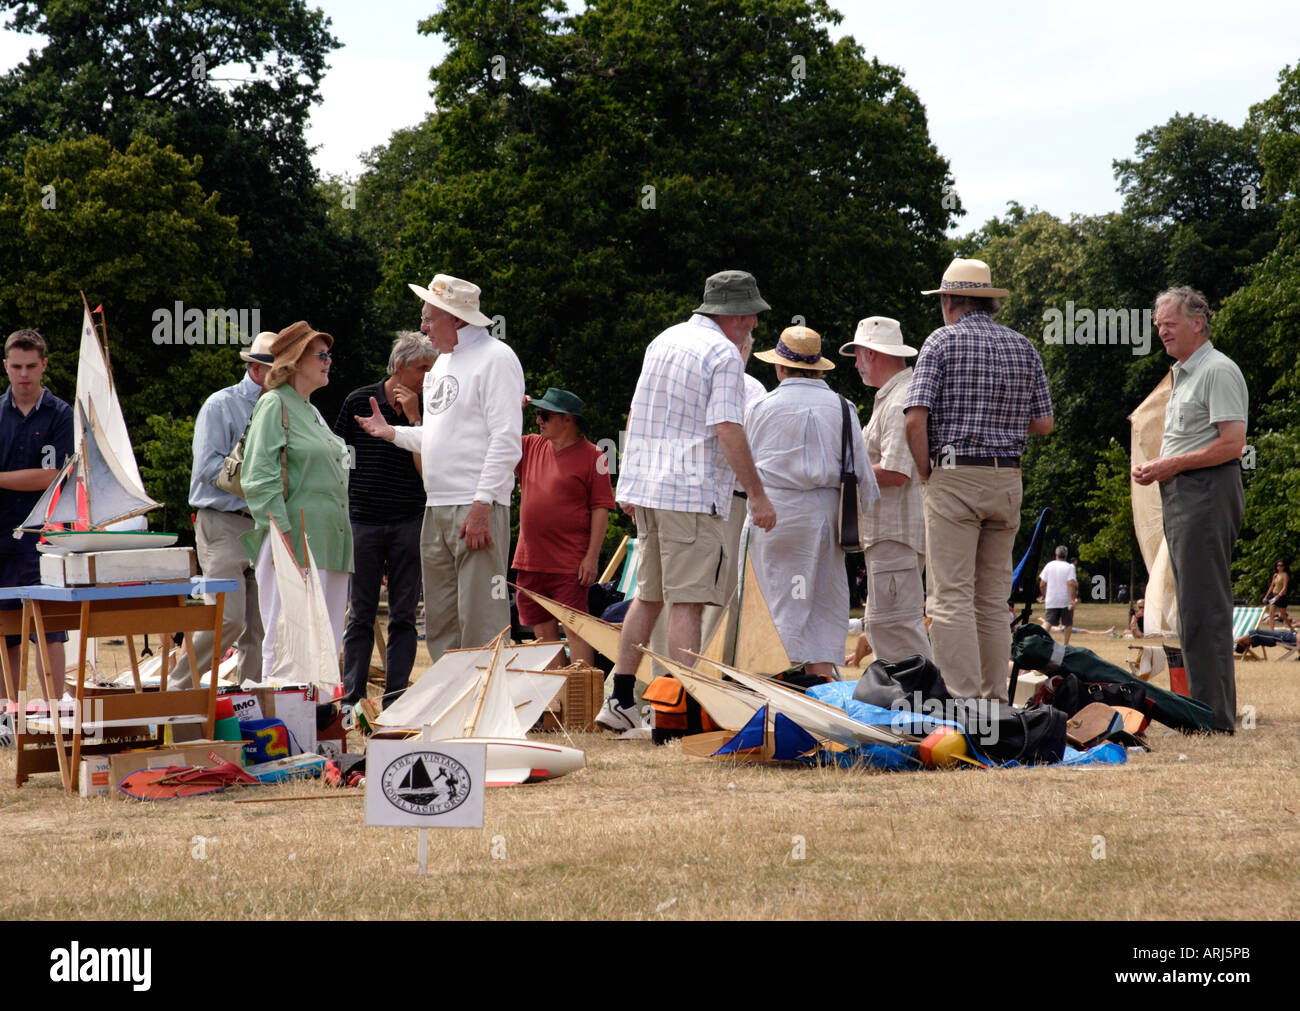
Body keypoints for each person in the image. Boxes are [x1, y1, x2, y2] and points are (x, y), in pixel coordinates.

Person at [606, 269, 778, 732]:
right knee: (689, 603)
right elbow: (728, 427)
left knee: (649, 596)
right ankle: (675, 714)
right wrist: (758, 496)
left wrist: (628, 484)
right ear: (737, 314)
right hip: (691, 492)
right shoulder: (722, 353)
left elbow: (638, 414)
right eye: (753, 317)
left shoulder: (663, 340)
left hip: (650, 490)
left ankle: (620, 700)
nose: (755, 327)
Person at [903, 258, 1053, 700]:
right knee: (992, 600)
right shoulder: (1023, 346)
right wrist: (999, 425)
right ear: (988, 301)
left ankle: (963, 701)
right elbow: (1043, 422)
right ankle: (995, 702)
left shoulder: (941, 342)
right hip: (1006, 479)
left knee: (949, 598)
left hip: (954, 473)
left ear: (949, 300)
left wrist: (927, 473)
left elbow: (916, 420)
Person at [357, 274, 524, 662]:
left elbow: (505, 439)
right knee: (441, 621)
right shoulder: (443, 363)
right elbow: (435, 438)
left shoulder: (497, 359)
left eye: (429, 318)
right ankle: (451, 713)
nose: (422, 326)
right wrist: (393, 434)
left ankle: (486, 714)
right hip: (436, 507)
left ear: (457, 319)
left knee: (482, 618)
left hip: (476, 506)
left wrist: (483, 505)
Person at [1132, 285, 1246, 733]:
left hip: (1206, 492)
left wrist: (1169, 464)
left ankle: (1214, 718)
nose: (1162, 332)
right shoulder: (1185, 372)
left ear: (1197, 323)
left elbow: (1232, 444)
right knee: (1192, 609)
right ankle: (1204, 710)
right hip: (1183, 493)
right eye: (1158, 325)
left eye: (1170, 323)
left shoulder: (1218, 370)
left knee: (1204, 607)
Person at [746, 326, 877, 679]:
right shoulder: (843, 407)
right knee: (821, 604)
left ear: (779, 368)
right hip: (825, 517)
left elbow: (742, 470)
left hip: (772, 515)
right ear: (819, 368)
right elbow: (864, 477)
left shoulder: (761, 407)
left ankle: (778, 683)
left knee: (775, 603)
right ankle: (819, 684)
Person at [240, 321, 352, 680]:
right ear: (294, 362)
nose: (328, 361)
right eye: (320, 355)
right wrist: (282, 535)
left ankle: (318, 722)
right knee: (288, 644)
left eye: (328, 355)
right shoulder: (274, 404)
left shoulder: (311, 410)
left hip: (330, 543)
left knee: (325, 646)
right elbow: (258, 477)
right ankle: (284, 726)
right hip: (294, 542)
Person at [168, 331, 275, 691]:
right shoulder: (220, 405)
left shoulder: (278, 406)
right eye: (280, 370)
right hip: (223, 521)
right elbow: (208, 470)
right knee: (226, 620)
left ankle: (251, 707)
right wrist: (260, 479)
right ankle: (178, 690)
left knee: (259, 628)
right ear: (257, 369)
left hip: (260, 523)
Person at [333, 332, 435, 709]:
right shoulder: (358, 400)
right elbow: (337, 458)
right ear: (399, 367)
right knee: (359, 612)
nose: (428, 376)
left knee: (404, 615)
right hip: (363, 519)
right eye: (423, 368)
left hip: (410, 519)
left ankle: (396, 700)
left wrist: (415, 419)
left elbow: (430, 470)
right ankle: (352, 699)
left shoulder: (428, 409)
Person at [840, 316, 931, 664]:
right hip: (889, 534)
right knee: (883, 625)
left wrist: (843, 475)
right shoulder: (893, 396)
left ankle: (925, 706)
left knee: (897, 627)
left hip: (895, 534)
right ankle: (912, 706)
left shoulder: (898, 401)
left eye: (858, 354)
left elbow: (895, 471)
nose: (857, 364)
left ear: (872, 353)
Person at [513, 388, 616, 666]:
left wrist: (591, 558)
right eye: (536, 414)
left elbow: (601, 508)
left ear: (567, 419)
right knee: (543, 632)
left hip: (569, 563)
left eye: (544, 414)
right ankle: (561, 696)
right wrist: (512, 407)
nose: (538, 421)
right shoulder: (529, 445)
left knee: (575, 630)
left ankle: (584, 698)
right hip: (530, 561)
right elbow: (495, 438)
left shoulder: (595, 456)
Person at [1, 329, 73, 693]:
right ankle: (6, 717)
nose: (24, 374)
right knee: (5, 633)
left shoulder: (60, 414)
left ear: (44, 365)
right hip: (1, 536)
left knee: (49, 630)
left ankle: (53, 712)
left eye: (31, 366)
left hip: (43, 536)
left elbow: (53, 476)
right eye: (17, 366)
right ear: (6, 367)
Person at [1038, 545, 1079, 645]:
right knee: (1068, 623)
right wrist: (1073, 599)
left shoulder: (1049, 565)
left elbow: (1042, 584)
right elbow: (1071, 584)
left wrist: (1044, 596)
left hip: (1051, 599)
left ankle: (1038, 641)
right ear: (1066, 555)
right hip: (1065, 600)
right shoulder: (1069, 567)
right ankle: (1066, 644)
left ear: (1056, 555)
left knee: (1048, 622)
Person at [1263, 561, 1293, 631]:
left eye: (1281, 565)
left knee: (1283, 616)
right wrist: (1266, 596)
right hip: (1274, 595)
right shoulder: (1275, 575)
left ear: (1284, 566)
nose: (1279, 567)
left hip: (1281, 596)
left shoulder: (1285, 574)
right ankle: (1271, 631)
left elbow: (1285, 587)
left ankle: (1292, 629)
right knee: (1271, 613)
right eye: (1278, 565)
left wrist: (1279, 596)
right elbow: (1271, 586)